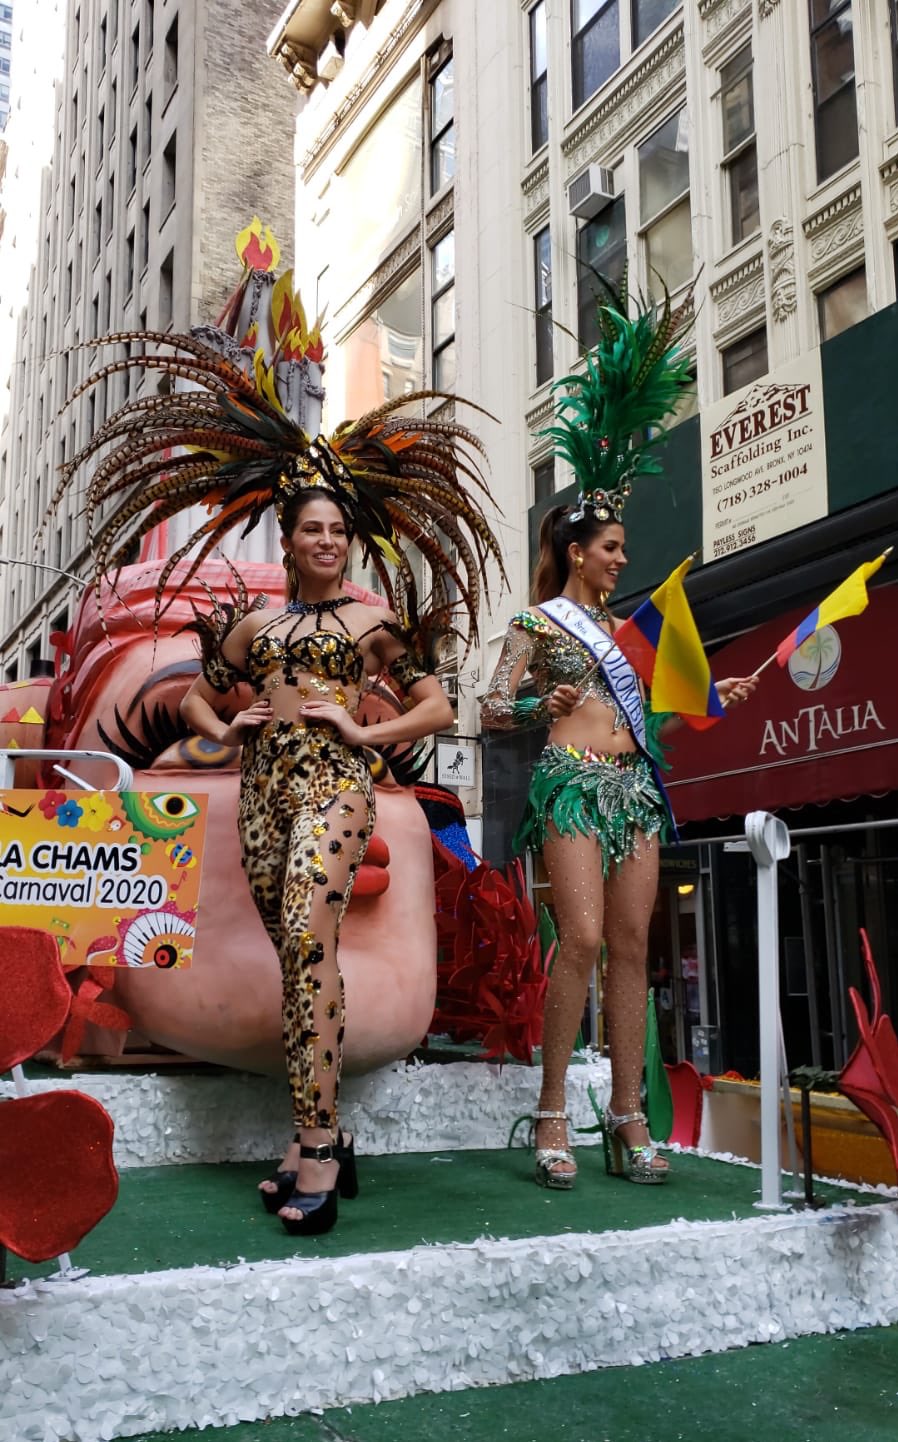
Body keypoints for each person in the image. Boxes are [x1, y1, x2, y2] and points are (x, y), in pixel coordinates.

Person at [53, 326, 505, 1236]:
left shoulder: (375, 620)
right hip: (262, 797)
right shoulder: (251, 630)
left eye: (340, 529)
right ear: (292, 540)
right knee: (302, 961)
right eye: (314, 529)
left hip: (337, 789)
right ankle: (308, 1145)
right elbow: (195, 707)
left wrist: (354, 727)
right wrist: (229, 724)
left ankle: (321, 1141)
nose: (329, 541)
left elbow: (434, 709)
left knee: (307, 949)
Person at [481, 278, 757, 1188]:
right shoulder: (537, 624)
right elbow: (489, 708)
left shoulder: (628, 631)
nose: (623, 557)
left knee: (639, 946)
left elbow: (649, 704)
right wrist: (536, 710)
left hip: (634, 788)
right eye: (611, 547)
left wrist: (717, 693)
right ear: (574, 550)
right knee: (587, 940)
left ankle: (629, 1116)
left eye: (624, 549)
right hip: (567, 784)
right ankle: (555, 1106)